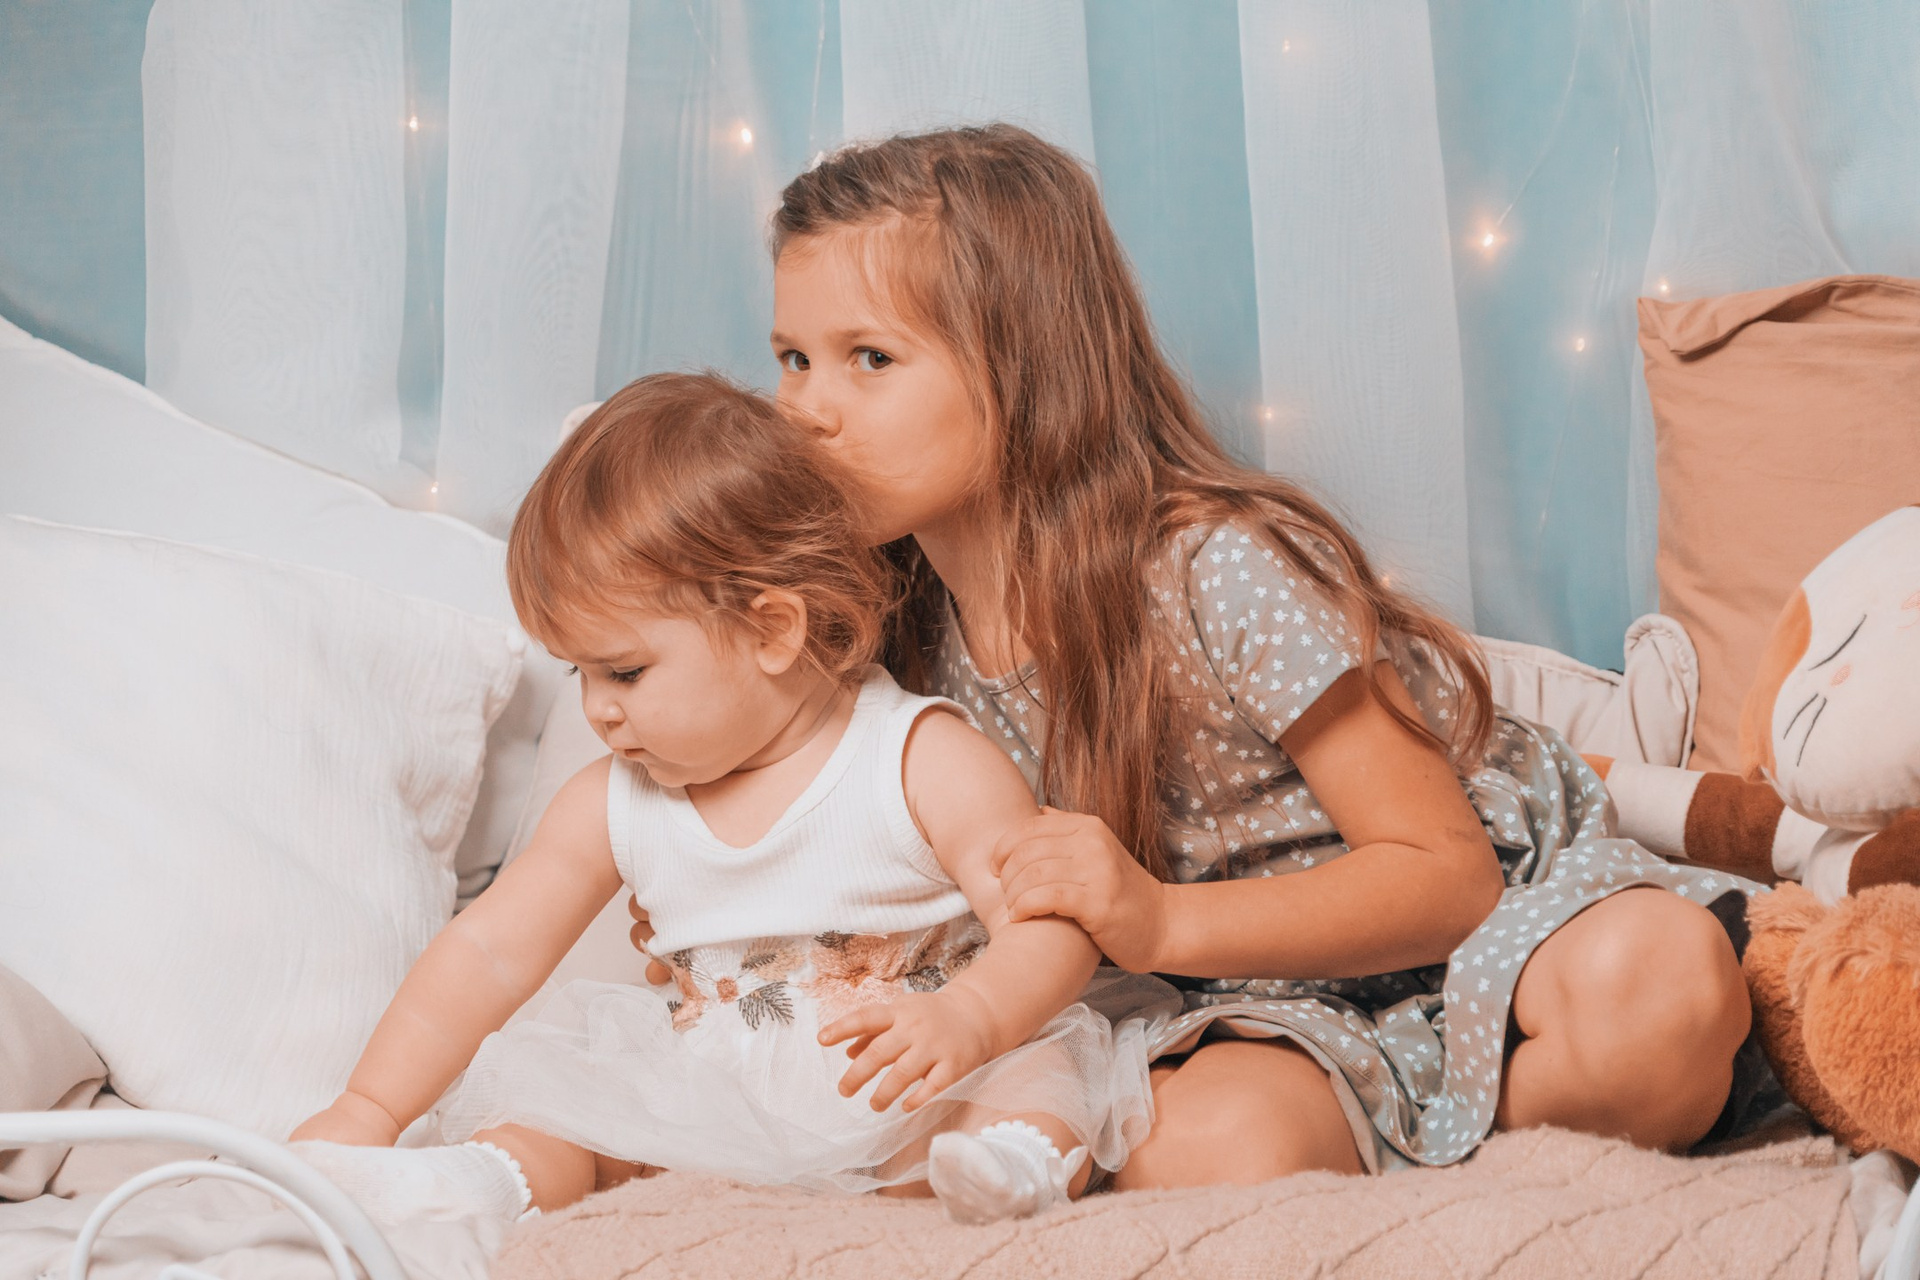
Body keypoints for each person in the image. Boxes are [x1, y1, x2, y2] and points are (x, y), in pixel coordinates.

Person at [740, 123, 1760, 1186]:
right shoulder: (888, 624)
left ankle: (1485, 1111)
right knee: (1207, 1149)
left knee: (1662, 988)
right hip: (1258, 1006)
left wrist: (1158, 918)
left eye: (869, 359)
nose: (805, 411)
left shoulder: (1214, 566)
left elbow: (1448, 877)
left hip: (1489, 933)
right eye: (792, 359)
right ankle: (1431, 1138)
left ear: (1026, 365)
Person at [290, 373, 1162, 1225]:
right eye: (578, 673)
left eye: (624, 671)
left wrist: (971, 1017)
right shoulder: (612, 803)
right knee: (563, 1105)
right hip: (714, 1112)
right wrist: (369, 1108)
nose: (597, 709)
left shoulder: (917, 758)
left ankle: (1011, 1163)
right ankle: (479, 1185)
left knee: (1038, 1067)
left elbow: (1050, 922)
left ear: (771, 631)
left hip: (911, 1090)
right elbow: (488, 953)